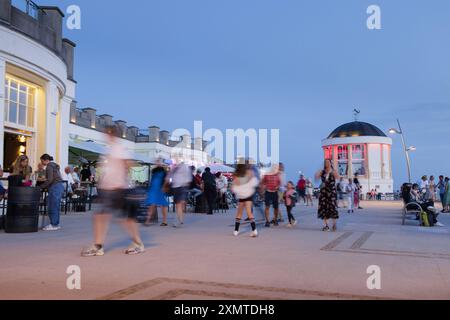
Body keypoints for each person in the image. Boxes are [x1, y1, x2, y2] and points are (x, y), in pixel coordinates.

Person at [81, 127, 144, 256]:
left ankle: (138, 243)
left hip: (118, 188)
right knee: (103, 216)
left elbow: (128, 164)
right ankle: (99, 245)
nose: (107, 136)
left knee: (123, 219)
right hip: (109, 188)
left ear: (113, 135)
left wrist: (122, 180)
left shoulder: (118, 148)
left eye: (108, 134)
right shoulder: (110, 149)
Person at [231, 163, 258, 237]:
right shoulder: (249, 173)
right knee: (249, 213)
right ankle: (254, 230)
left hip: (241, 196)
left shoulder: (237, 175)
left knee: (239, 213)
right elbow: (255, 183)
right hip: (249, 195)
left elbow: (233, 188)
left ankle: (236, 230)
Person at [39, 154, 64, 231]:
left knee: (52, 205)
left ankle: (53, 224)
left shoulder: (49, 166)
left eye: (41, 160)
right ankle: (56, 223)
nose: (41, 162)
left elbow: (50, 179)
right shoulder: (55, 165)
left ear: (44, 160)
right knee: (55, 205)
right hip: (59, 186)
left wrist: (41, 187)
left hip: (55, 187)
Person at [316, 159, 339, 232]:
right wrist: (318, 172)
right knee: (323, 208)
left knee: (333, 207)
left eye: (328, 162)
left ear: (331, 163)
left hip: (331, 192)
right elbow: (316, 178)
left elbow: (338, 178)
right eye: (325, 162)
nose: (327, 163)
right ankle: (326, 226)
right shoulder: (322, 171)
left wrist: (333, 173)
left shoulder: (333, 171)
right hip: (324, 192)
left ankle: (334, 224)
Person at [168, 160, 192, 227]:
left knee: (180, 204)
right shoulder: (174, 167)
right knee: (179, 204)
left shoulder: (184, 167)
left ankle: (178, 220)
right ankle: (180, 220)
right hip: (176, 187)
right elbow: (170, 176)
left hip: (182, 187)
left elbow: (188, 178)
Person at [145, 162, 169, 227]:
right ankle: (147, 220)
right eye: (157, 162)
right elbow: (152, 180)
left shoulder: (164, 171)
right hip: (153, 189)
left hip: (160, 189)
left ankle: (164, 221)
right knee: (152, 205)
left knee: (162, 205)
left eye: (159, 162)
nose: (158, 163)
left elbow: (167, 180)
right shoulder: (154, 171)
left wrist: (163, 187)